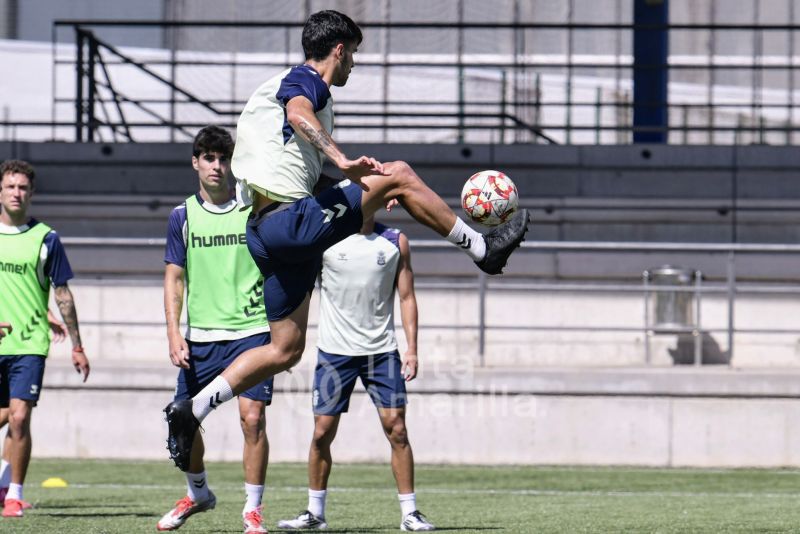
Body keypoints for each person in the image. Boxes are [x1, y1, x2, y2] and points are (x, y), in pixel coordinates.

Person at [164, 10, 529, 472]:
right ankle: (483, 249)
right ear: (338, 49)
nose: (354, 63)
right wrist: (343, 160)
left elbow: (294, 174)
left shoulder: (273, 90)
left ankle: (191, 409)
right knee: (398, 173)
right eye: (354, 53)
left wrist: (364, 197)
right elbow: (299, 114)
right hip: (288, 225)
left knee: (284, 349)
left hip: (263, 231)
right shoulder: (307, 82)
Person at [277, 215, 435, 531]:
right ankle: (314, 513)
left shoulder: (395, 241)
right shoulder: (323, 240)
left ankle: (410, 513)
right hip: (334, 353)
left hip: (381, 353)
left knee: (397, 429)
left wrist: (413, 349)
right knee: (322, 432)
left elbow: (407, 297)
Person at [157, 126, 272, 534]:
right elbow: (174, 278)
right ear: (196, 162)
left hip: (253, 332)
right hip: (201, 336)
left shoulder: (254, 203)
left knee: (252, 419)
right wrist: (174, 332)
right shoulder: (182, 215)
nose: (217, 166)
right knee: (180, 421)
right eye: (209, 158)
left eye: (224, 159)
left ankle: (252, 511)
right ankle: (198, 493)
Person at [0, 159, 90, 518]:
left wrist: (77, 344)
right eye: (10, 186)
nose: (17, 193)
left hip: (29, 345)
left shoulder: (46, 238)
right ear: (0, 191)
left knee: (20, 417)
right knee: (8, 415)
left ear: (32, 193)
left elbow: (61, 292)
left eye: (23, 187)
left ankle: (13, 495)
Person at [0, 311, 66, 508]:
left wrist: (46, 313)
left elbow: (24, 288)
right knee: (12, 414)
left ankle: (6, 488)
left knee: (16, 416)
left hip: (22, 345)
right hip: (9, 345)